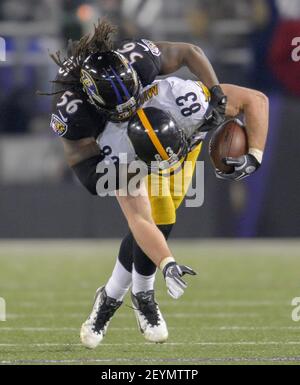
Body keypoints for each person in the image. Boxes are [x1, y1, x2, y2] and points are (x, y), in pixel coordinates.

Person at [47, 19, 227, 347]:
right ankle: (141, 297)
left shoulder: (138, 59)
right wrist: (114, 171)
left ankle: (113, 296)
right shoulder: (72, 108)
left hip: (151, 118)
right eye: (119, 107)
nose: (127, 110)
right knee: (148, 216)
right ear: (93, 100)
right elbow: (80, 160)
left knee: (156, 218)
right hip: (106, 144)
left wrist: (218, 94)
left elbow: (190, 52)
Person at [76, 75, 268, 348]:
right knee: (158, 217)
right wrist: (167, 264)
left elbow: (256, 100)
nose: (169, 163)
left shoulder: (189, 102)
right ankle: (142, 297)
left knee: (156, 227)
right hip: (142, 163)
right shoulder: (118, 146)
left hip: (188, 151)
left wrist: (255, 155)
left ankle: (109, 296)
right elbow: (138, 219)